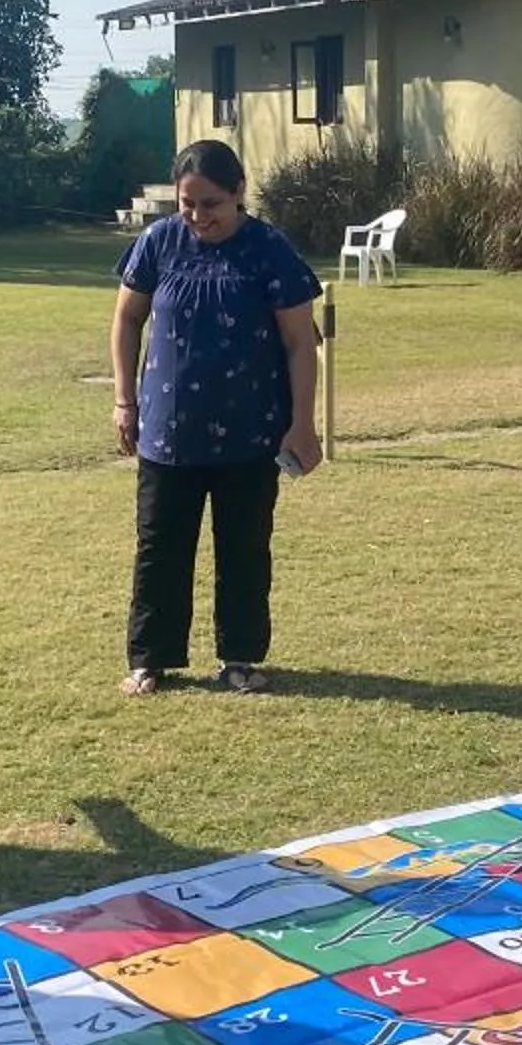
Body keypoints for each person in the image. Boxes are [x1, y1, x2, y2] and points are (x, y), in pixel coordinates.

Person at [108, 140, 322, 695]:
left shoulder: (269, 250)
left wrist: (303, 424)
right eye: (188, 205)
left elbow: (300, 342)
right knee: (160, 548)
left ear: (238, 194)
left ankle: (241, 658)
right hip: (167, 433)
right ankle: (150, 660)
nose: (199, 217)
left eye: (211, 205)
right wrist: (124, 400)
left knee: (245, 548)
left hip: (250, 433)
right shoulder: (158, 243)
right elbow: (128, 320)